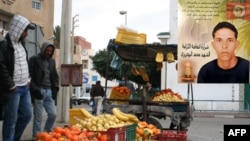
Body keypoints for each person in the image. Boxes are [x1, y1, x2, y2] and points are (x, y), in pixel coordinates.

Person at [0, 14, 35, 141]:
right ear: (18, 29)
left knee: (27, 115)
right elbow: (1, 66)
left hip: (25, 87)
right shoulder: (4, 45)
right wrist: (11, 84)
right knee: (11, 121)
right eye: (25, 30)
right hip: (13, 89)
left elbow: (23, 63)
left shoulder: (21, 45)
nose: (27, 34)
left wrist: (28, 79)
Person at [28, 41, 59, 138]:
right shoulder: (34, 59)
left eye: (51, 51)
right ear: (43, 49)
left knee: (53, 114)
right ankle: (36, 136)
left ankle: (46, 133)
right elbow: (29, 76)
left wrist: (55, 88)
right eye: (47, 50)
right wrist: (35, 90)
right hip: (39, 90)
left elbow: (55, 76)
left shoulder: (52, 61)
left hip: (49, 91)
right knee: (38, 117)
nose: (49, 52)